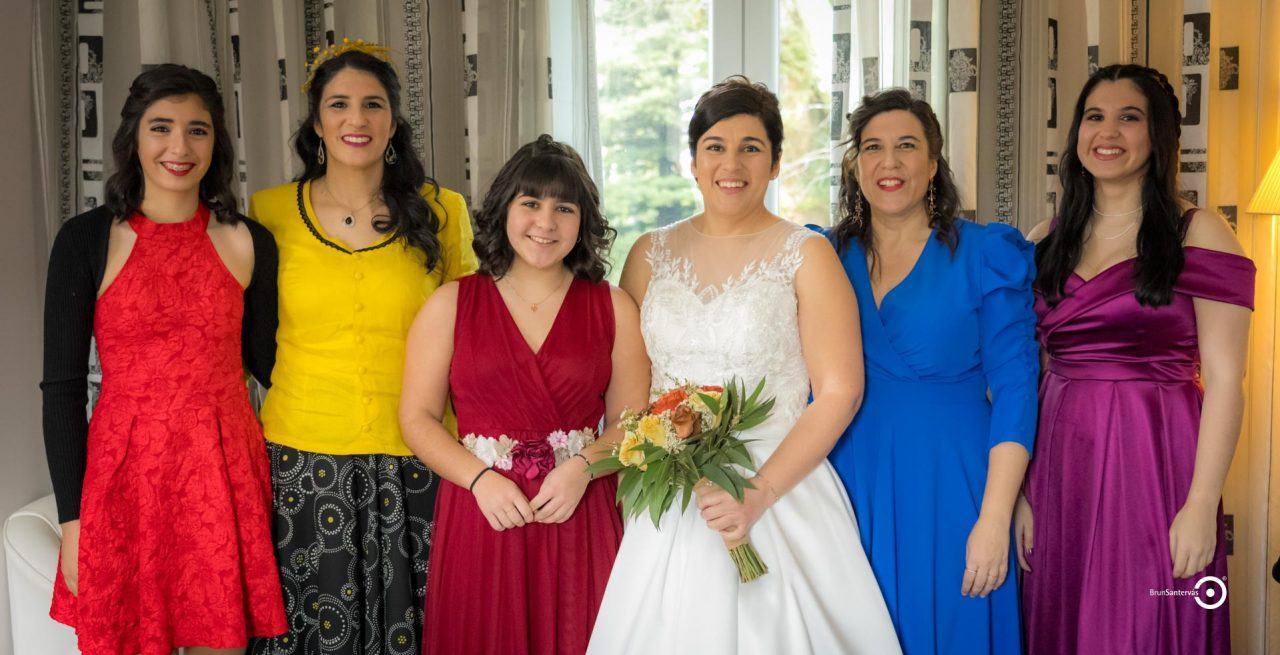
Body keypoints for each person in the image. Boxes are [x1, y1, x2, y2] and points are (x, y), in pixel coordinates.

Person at [587, 76, 900, 655]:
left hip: (781, 485)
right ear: (693, 160)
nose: (732, 163)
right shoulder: (647, 254)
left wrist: (755, 494)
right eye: (715, 146)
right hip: (670, 490)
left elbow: (839, 392)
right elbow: (628, 392)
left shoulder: (806, 253)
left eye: (751, 147)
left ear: (776, 163)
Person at [41, 64, 285, 655]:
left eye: (198, 130)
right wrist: (73, 524)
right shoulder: (85, 239)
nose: (180, 147)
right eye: (161, 127)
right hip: (123, 482)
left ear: (217, 143)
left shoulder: (251, 240)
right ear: (133, 138)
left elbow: (273, 367)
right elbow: (63, 391)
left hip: (222, 477)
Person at [246, 40, 476, 655]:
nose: (356, 120)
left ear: (393, 123)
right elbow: (251, 337)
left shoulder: (443, 212)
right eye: (339, 105)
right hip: (302, 458)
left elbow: (477, 339)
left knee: (428, 632)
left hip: (423, 457)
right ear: (317, 123)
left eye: (372, 105)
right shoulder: (266, 213)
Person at [1018, 64, 1251, 655]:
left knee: (1150, 622)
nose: (1108, 131)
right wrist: (1021, 492)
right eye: (1094, 116)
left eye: (1130, 117)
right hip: (1059, 465)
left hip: (1158, 460)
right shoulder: (1045, 239)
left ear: (1159, 135)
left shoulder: (1200, 233)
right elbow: (1029, 373)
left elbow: (1226, 381)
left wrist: (1201, 506)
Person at [401, 135, 649, 654]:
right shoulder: (451, 303)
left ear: (583, 222)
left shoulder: (614, 307)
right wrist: (479, 480)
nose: (546, 222)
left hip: (579, 509)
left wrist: (583, 467)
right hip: (482, 514)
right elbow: (418, 419)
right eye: (530, 203)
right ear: (503, 210)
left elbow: (635, 419)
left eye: (564, 207)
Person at [826, 88, 1038, 654]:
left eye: (906, 146)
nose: (888, 162)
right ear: (856, 165)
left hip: (954, 485)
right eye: (872, 147)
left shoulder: (984, 252)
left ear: (933, 162)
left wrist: (996, 515)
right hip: (846, 482)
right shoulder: (823, 255)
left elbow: (1017, 390)